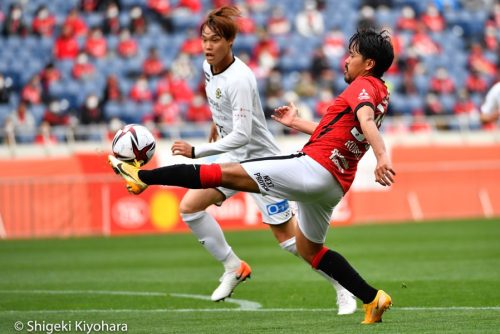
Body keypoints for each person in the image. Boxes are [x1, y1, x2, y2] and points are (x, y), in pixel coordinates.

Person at [112, 6, 357, 314]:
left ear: (230, 42)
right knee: (189, 209)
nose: (207, 46)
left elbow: (243, 136)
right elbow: (223, 110)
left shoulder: (241, 78)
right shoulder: (206, 66)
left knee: (292, 242)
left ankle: (342, 287)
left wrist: (197, 151)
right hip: (231, 156)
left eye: (214, 40)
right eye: (204, 39)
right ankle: (233, 266)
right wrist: (217, 125)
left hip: (262, 162)